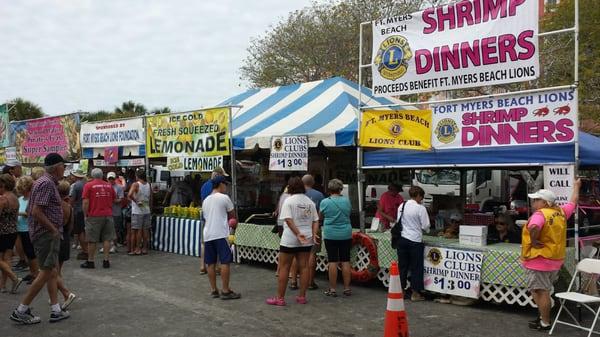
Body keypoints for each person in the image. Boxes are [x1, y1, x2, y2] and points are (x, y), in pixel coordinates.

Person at [11, 153, 70, 324]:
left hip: (43, 233)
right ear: (57, 167)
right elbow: (36, 211)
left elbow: (30, 208)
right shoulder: (46, 183)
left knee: (51, 272)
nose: (64, 169)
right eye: (63, 166)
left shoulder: (43, 182)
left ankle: (55, 309)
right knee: (45, 272)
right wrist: (53, 230)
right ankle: (21, 309)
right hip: (46, 235)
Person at [523, 181, 580, 331]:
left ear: (545, 202)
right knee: (542, 290)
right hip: (554, 259)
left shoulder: (540, 214)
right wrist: (576, 187)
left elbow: (534, 227)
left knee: (541, 292)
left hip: (539, 259)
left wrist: (534, 240)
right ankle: (543, 316)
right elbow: (573, 202)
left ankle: (545, 322)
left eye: (536, 200)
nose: (533, 202)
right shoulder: (561, 212)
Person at [266, 177, 318, 306]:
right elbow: (316, 220)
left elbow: (288, 220)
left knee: (284, 267)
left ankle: (280, 298)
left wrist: (297, 233)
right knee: (304, 266)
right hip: (307, 237)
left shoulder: (288, 201)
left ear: (290, 187)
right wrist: (314, 233)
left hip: (290, 238)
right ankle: (302, 296)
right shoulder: (310, 202)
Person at [202, 175, 240, 300]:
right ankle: (225, 290)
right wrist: (234, 228)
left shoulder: (206, 200)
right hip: (220, 233)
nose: (226, 187)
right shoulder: (224, 198)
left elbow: (205, 218)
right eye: (225, 184)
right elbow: (233, 217)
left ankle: (214, 290)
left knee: (210, 263)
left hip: (208, 233)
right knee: (225, 261)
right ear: (221, 184)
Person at [394, 186, 430, 302]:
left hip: (402, 239)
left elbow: (398, 221)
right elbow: (425, 226)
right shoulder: (420, 208)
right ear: (418, 195)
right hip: (415, 240)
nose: (422, 199)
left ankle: (401, 291)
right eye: (422, 197)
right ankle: (415, 293)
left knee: (403, 267)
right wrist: (427, 231)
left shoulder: (402, 206)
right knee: (416, 267)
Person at [319, 179, 352, 297]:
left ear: (329, 189)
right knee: (345, 260)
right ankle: (347, 288)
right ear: (340, 188)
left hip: (330, 233)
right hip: (346, 233)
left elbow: (320, 216)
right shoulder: (346, 201)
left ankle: (332, 289)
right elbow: (348, 213)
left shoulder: (324, 202)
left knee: (332, 261)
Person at [81, 168, 116, 269]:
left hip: (94, 215)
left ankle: (91, 261)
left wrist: (85, 214)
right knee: (107, 239)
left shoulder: (88, 185)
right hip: (108, 214)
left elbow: (85, 202)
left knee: (92, 239)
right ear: (102, 176)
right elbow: (114, 199)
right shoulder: (109, 185)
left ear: (92, 176)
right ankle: (106, 261)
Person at [199, 167, 228, 274]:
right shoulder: (217, 187)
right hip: (215, 217)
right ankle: (217, 267)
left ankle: (202, 266)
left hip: (205, 215)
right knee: (218, 241)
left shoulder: (203, 186)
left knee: (204, 242)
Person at [0, 174, 23, 294]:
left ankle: (14, 278)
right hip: (13, 230)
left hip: (2, 231)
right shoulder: (15, 198)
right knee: (7, 258)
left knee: (1, 259)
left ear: (3, 184)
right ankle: (3, 286)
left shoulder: (2, 199)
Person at [301, 174, 324, 291]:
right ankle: (310, 282)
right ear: (313, 182)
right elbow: (321, 213)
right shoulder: (319, 195)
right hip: (314, 227)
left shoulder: (296, 194)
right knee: (312, 254)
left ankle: (295, 281)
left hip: (299, 228)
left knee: (297, 255)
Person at [56, 180, 76, 310]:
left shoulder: (58, 206)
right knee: (57, 271)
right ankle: (55, 296)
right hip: (65, 239)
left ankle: (66, 294)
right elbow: (71, 226)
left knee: (52, 271)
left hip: (57, 238)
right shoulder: (68, 207)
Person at [16, 176, 39, 284]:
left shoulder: (32, 199)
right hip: (20, 228)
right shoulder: (20, 199)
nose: (20, 191)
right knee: (26, 252)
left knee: (31, 253)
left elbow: (31, 213)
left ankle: (36, 274)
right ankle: (32, 272)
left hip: (28, 229)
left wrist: (18, 213)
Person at [128, 169, 152, 255]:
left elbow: (129, 195)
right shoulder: (148, 185)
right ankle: (144, 248)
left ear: (137, 176)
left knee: (137, 230)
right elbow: (151, 198)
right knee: (145, 230)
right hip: (147, 210)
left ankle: (137, 248)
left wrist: (136, 201)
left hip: (137, 211)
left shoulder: (136, 184)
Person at [69, 169, 88, 260]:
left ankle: (85, 251)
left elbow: (72, 200)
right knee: (84, 231)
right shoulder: (86, 184)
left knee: (79, 231)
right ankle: (86, 249)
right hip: (87, 210)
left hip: (78, 210)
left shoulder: (76, 186)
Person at [107, 172, 124, 250]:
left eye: (112, 178)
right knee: (107, 229)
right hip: (106, 211)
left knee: (115, 229)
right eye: (109, 179)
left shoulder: (119, 187)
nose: (111, 180)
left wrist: (113, 200)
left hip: (116, 211)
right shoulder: (105, 186)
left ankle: (114, 245)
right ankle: (107, 244)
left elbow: (121, 199)